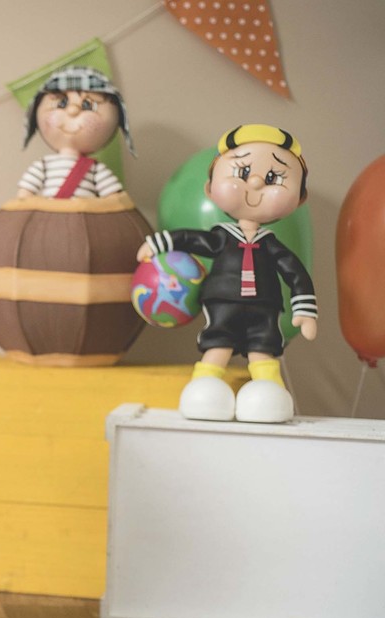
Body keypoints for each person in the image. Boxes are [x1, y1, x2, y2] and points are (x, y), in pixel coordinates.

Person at [137, 124, 317, 423]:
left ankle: (269, 394)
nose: (256, 181)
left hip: (264, 308)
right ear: (210, 188)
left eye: (273, 177)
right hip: (222, 303)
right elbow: (190, 239)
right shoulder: (220, 237)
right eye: (243, 172)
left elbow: (295, 273)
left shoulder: (272, 245)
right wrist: (158, 244)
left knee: (263, 349)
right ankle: (204, 390)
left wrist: (305, 310)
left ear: (299, 199)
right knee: (217, 343)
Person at [16, 65, 134, 199]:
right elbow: (25, 193)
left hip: (84, 213)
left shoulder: (95, 169)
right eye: (62, 103)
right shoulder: (44, 165)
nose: (73, 110)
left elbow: (114, 198)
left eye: (87, 105)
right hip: (50, 212)